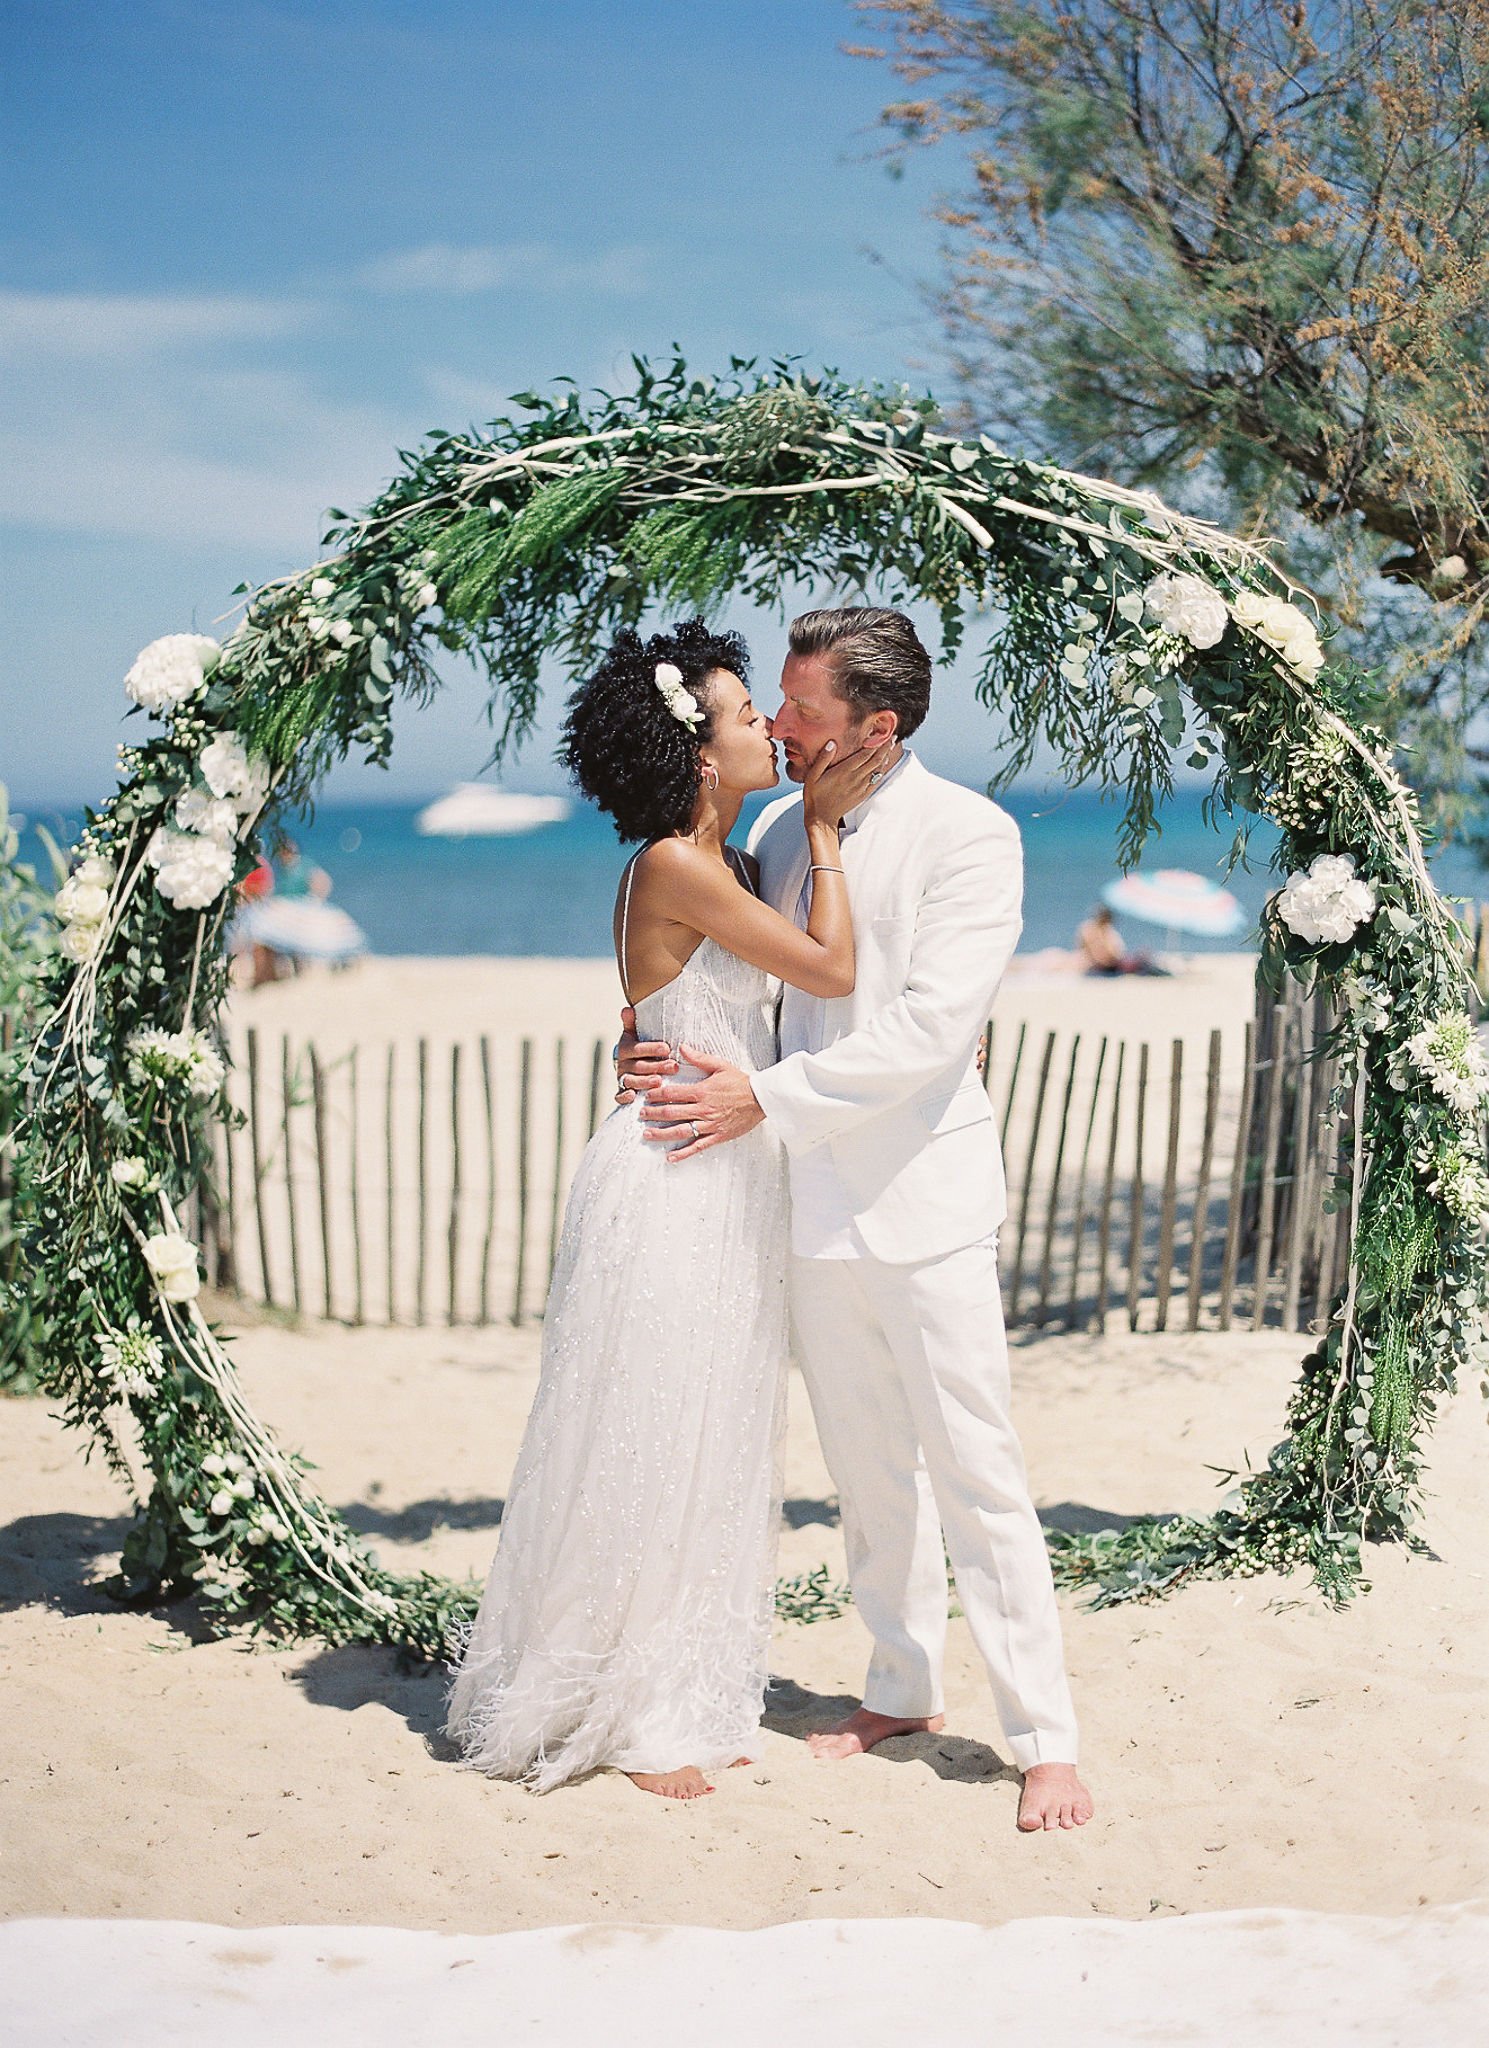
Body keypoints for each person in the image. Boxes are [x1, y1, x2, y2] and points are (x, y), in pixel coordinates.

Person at [618, 607, 1094, 1833]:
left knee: (979, 1471)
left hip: (924, 1198)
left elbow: (932, 1031)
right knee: (866, 1471)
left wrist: (756, 1097)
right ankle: (901, 1683)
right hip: (800, 1202)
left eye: (803, 713)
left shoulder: (972, 836)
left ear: (876, 727)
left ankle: (1044, 1737)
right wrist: (646, 1041)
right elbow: (724, 977)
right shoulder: (778, 829)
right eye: (772, 707)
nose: (777, 727)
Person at [441, 619, 881, 1801]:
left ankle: (675, 1680)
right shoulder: (678, 863)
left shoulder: (727, 865)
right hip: (671, 1175)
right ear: (696, 752)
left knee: (709, 1434)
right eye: (745, 717)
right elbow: (828, 971)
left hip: (730, 1173)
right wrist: (830, 832)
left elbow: (707, 1014)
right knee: (646, 1427)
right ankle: (628, 1704)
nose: (765, 732)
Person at [1075, 904, 1170, 976]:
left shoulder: (1097, 930)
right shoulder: (1093, 930)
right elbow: (1110, 953)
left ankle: (1161, 971)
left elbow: (1113, 951)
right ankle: (1162, 973)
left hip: (1106, 964)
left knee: (1142, 963)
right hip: (1105, 965)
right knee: (1141, 964)